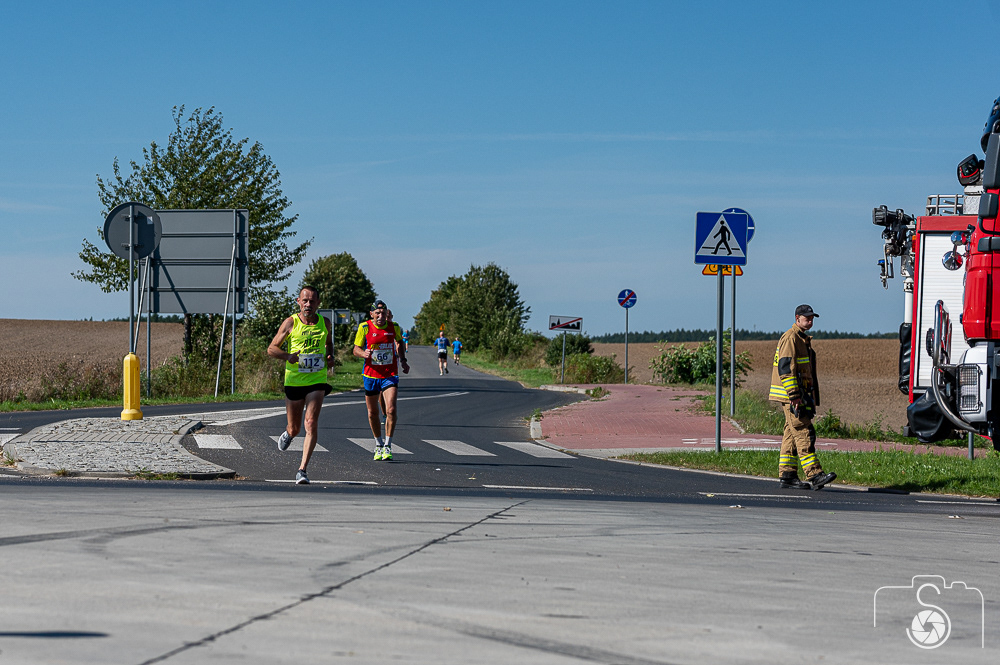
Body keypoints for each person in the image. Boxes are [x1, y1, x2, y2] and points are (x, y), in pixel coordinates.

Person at [267, 285, 334, 485]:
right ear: (298, 302)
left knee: (311, 422)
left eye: (312, 301)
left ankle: (302, 470)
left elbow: (329, 343)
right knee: (295, 428)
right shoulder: (291, 322)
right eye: (305, 300)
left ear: (318, 303)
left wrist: (330, 356)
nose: (308, 304)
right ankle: (289, 433)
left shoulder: (325, 323)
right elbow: (271, 349)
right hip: (294, 380)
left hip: (317, 379)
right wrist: (288, 356)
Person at [769, 304, 836, 490]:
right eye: (807, 318)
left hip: (798, 396)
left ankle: (788, 475)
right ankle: (815, 474)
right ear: (797, 318)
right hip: (793, 397)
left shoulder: (801, 338)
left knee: (791, 434)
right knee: (804, 431)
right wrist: (794, 396)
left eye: (812, 318)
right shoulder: (791, 338)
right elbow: (786, 369)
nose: (810, 321)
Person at [354, 300, 409, 461]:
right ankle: (378, 444)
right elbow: (355, 349)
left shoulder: (394, 327)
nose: (380, 316)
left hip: (389, 375)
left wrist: (403, 360)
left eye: (383, 313)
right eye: (377, 313)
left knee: (391, 409)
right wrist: (363, 353)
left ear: (387, 314)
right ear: (371, 314)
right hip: (371, 375)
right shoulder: (364, 327)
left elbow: (400, 342)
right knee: (373, 413)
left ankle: (388, 445)